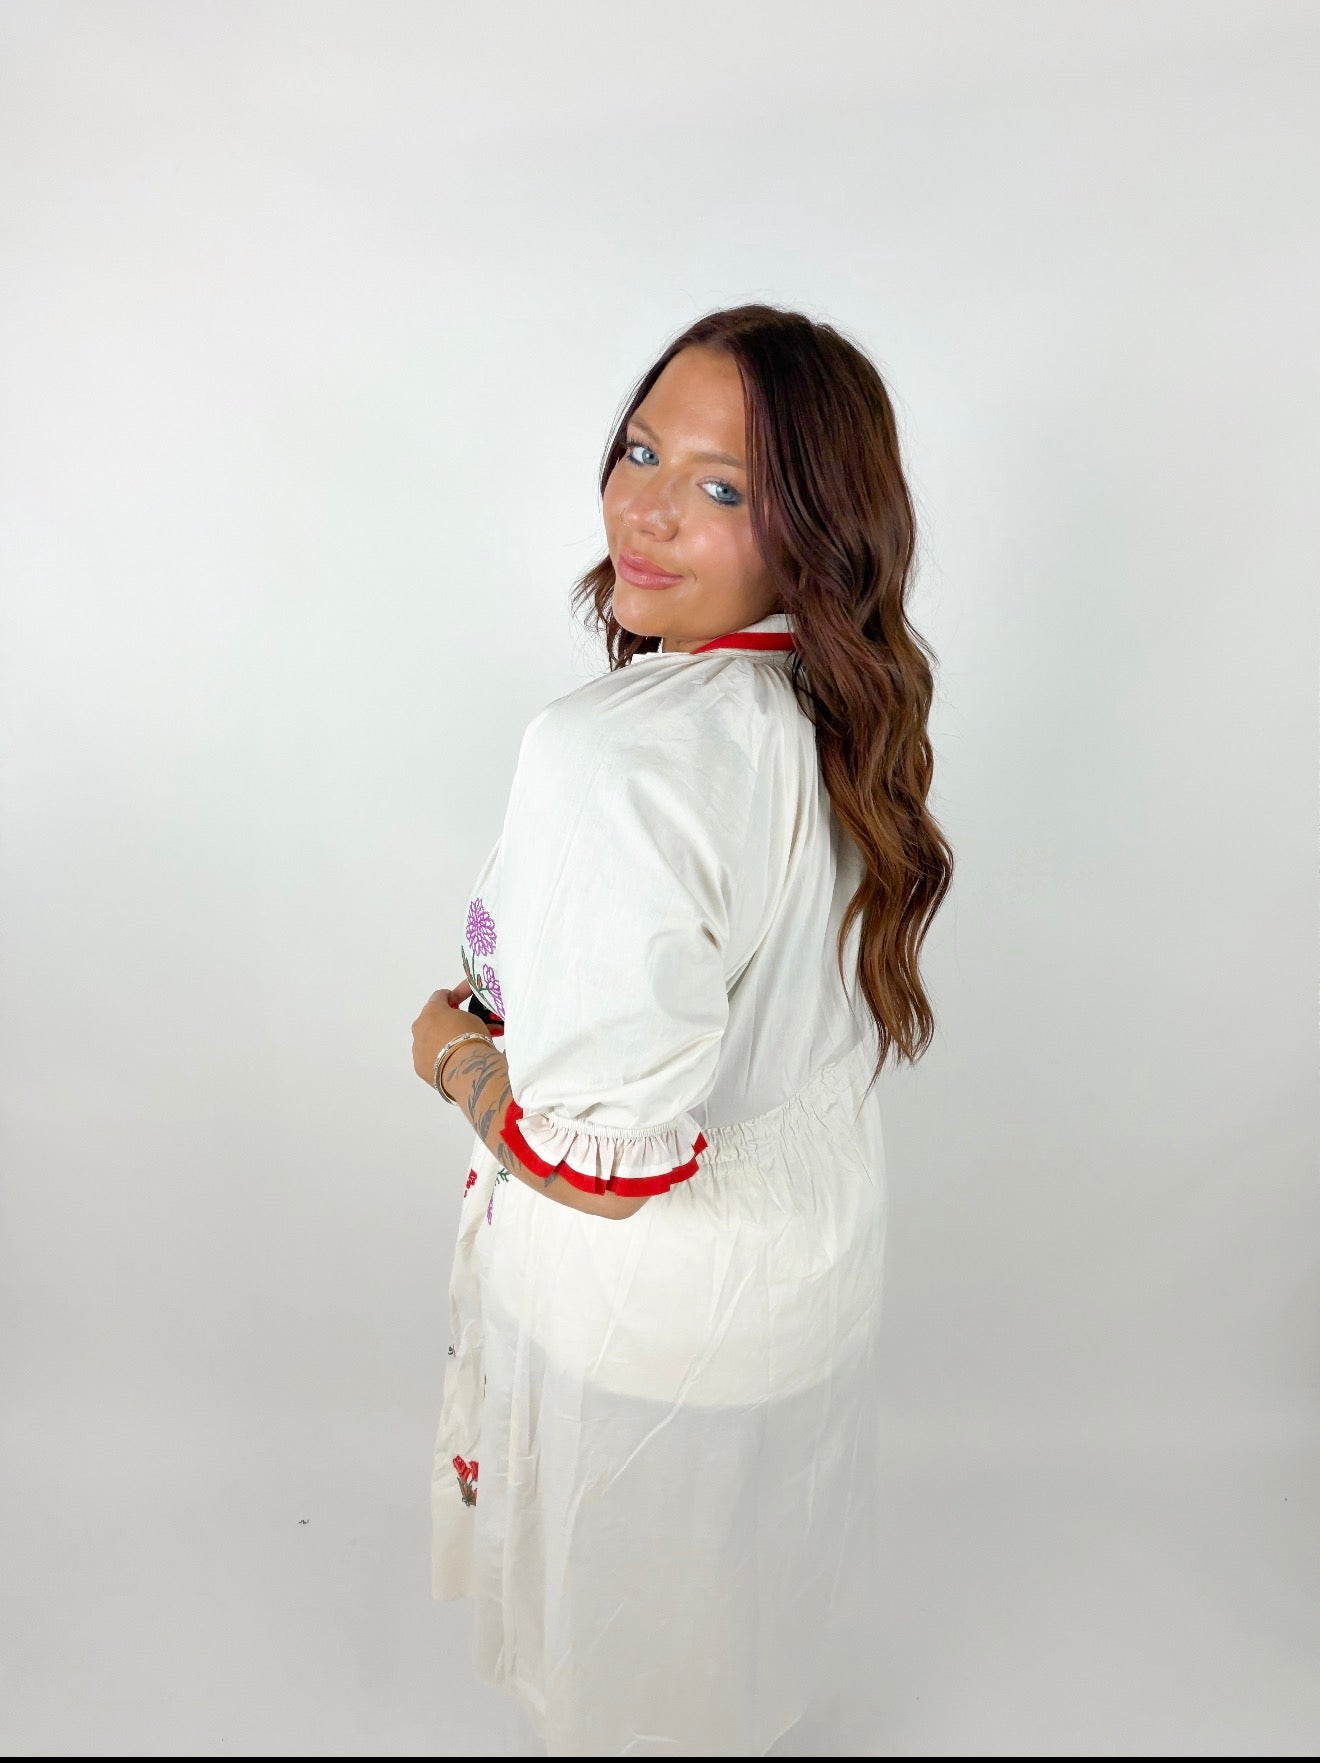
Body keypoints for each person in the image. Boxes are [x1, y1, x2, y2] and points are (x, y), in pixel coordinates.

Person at [411, 302, 954, 1756]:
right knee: (728, 1630)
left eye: (721, 487)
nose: (644, 505)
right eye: (642, 449)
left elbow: (603, 1163)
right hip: (805, 1268)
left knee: (631, 1668)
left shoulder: (613, 754)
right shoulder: (843, 705)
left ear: (810, 530)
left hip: (653, 1304)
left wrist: (453, 1050)